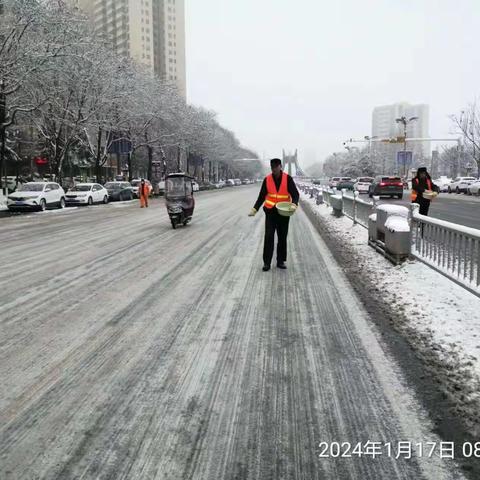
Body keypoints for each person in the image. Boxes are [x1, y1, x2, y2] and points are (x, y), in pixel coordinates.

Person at [248, 158, 299, 271]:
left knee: (282, 237)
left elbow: (295, 194)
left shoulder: (288, 179)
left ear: (280, 166)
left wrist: (294, 204)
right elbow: (261, 196)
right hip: (270, 213)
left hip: (284, 213)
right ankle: (267, 262)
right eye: (272, 168)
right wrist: (255, 209)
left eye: (276, 167)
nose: (274, 170)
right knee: (269, 237)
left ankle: (280, 261)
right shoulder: (267, 180)